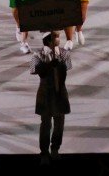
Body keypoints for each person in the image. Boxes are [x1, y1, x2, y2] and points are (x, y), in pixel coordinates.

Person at [31, 31, 70, 161]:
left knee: (59, 123)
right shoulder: (38, 53)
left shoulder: (64, 53)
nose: (59, 38)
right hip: (45, 92)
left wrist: (58, 63)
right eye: (56, 36)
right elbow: (34, 70)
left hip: (59, 91)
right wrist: (48, 65)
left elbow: (67, 68)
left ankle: (55, 149)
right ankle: (44, 153)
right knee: (46, 123)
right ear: (48, 39)